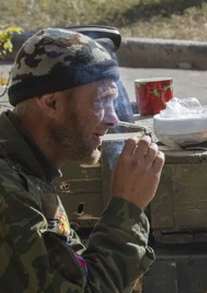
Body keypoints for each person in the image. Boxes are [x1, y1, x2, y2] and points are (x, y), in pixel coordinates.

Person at [0, 28, 165, 292]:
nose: (112, 119)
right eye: (101, 100)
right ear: (51, 103)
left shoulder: (28, 171)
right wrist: (127, 208)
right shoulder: (9, 195)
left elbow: (78, 272)